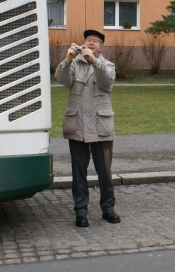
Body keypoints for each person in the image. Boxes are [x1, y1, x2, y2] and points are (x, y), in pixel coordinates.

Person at [55, 29, 120, 228]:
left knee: (104, 172)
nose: (90, 43)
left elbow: (106, 81)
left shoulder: (107, 65)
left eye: (95, 41)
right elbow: (61, 79)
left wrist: (94, 61)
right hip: (78, 127)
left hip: (101, 128)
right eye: (88, 40)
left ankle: (108, 209)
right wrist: (67, 60)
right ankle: (80, 212)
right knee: (79, 173)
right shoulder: (73, 64)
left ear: (101, 46)